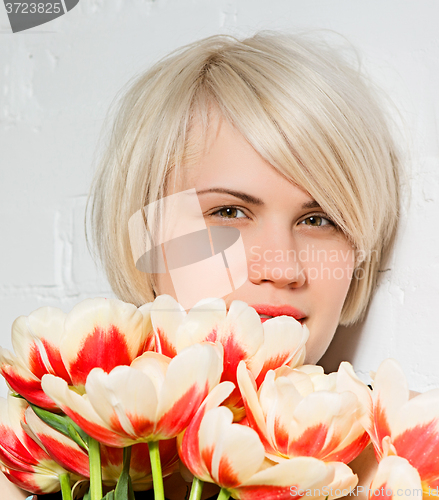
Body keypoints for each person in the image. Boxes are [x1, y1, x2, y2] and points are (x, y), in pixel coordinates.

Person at [2, 31, 401, 499]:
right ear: (144, 239)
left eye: (319, 219)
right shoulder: (34, 459)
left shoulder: (400, 463)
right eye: (228, 213)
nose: (283, 267)